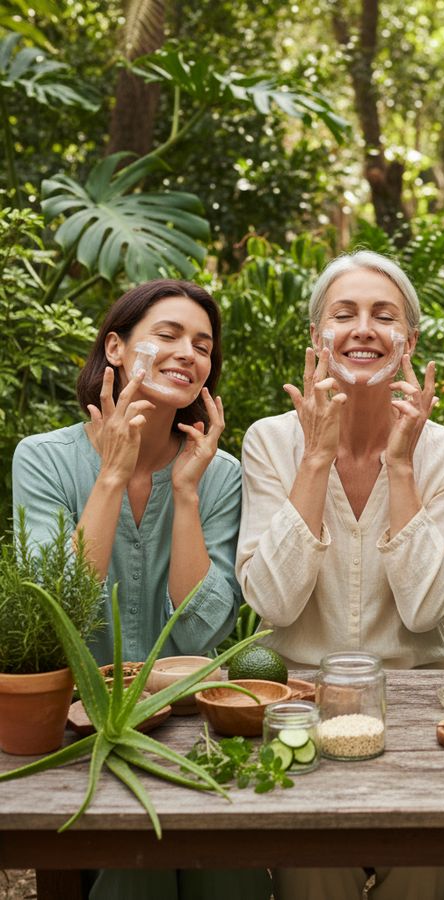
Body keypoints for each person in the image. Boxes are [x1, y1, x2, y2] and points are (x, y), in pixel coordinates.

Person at [12, 279, 268, 900]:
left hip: (194, 727)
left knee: (230, 876)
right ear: (118, 349)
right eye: (168, 335)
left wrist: (185, 493)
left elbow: (201, 630)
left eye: (203, 345)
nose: (189, 353)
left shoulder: (218, 473)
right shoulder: (43, 460)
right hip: (82, 730)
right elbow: (54, 612)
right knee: (136, 875)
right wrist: (111, 475)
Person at [236, 250, 444, 899]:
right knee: (314, 867)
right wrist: (315, 458)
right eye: (344, 315)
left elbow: (428, 611)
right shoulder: (270, 441)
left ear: (409, 341)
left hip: (422, 711)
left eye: (383, 315)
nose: (363, 328)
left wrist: (402, 468)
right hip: (297, 712)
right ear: (318, 339)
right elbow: (274, 605)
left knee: (423, 869)